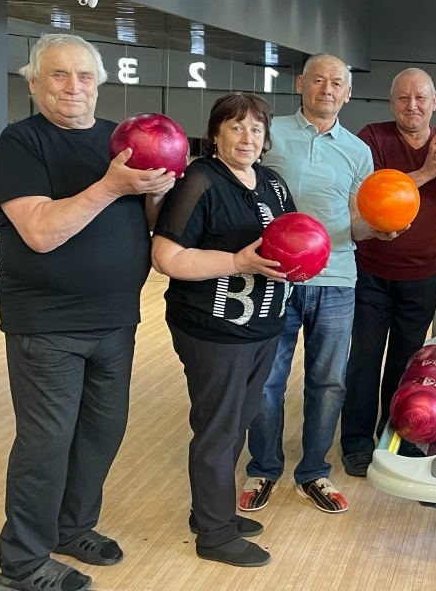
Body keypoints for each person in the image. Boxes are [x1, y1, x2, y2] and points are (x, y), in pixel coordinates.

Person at [0, 34, 176, 591]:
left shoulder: (121, 140)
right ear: (34, 83)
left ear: (99, 83)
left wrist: (155, 192)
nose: (73, 87)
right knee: (45, 443)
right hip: (47, 323)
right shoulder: (19, 144)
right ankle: (23, 561)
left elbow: (145, 222)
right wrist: (111, 185)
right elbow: (40, 232)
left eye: (84, 75)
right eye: (58, 74)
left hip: (115, 318)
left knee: (100, 432)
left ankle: (72, 527)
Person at [241, 53, 395, 515]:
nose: (327, 89)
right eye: (318, 80)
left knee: (328, 382)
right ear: (300, 84)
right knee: (266, 379)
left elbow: (357, 221)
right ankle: (263, 468)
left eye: (336, 83)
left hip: (337, 279)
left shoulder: (358, 150)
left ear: (348, 93)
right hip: (275, 276)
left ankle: (313, 471)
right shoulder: (270, 135)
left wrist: (379, 230)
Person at [151, 94, 293, 567]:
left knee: (236, 423)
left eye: (256, 128)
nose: (247, 137)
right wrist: (236, 261)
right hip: (212, 330)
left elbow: (292, 238)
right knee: (218, 429)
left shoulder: (272, 183)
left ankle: (209, 512)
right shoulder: (201, 181)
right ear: (216, 134)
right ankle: (214, 535)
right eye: (236, 127)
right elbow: (166, 257)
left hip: (262, 327)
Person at [339, 68, 436, 476]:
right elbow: (371, 194)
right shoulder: (372, 138)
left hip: (421, 278)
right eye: (403, 98)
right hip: (370, 273)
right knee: (364, 360)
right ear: (392, 103)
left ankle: (397, 435)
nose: (412, 105)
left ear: (434, 102)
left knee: (406, 365)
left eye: (420, 98)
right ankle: (355, 442)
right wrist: (424, 173)